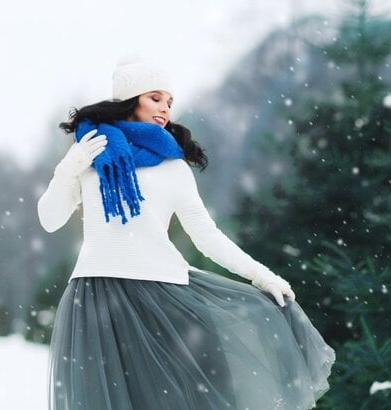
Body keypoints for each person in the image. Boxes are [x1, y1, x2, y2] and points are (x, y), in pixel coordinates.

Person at [37, 59, 336, 409]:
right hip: (94, 296)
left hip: (161, 295)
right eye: (155, 97)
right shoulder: (90, 154)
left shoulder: (173, 165)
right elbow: (49, 219)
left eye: (169, 101)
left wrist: (260, 275)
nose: (165, 107)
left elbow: (206, 236)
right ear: (130, 99)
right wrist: (68, 168)